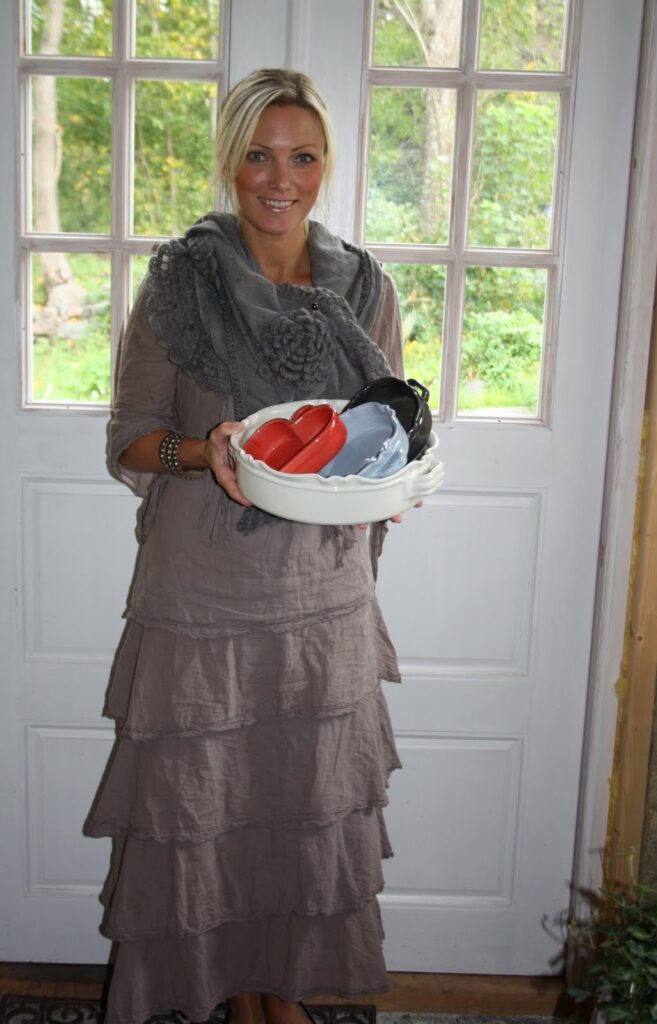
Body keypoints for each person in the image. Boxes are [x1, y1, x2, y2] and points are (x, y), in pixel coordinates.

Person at [85, 68, 408, 1024]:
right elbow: (130, 437)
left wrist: (388, 478)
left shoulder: (365, 287)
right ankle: (226, 993)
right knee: (205, 811)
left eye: (302, 157)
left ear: (325, 165)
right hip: (203, 598)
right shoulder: (178, 284)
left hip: (321, 595)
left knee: (302, 805)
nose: (281, 179)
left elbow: (385, 427)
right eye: (260, 156)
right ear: (231, 162)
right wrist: (203, 452)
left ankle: (280, 991)